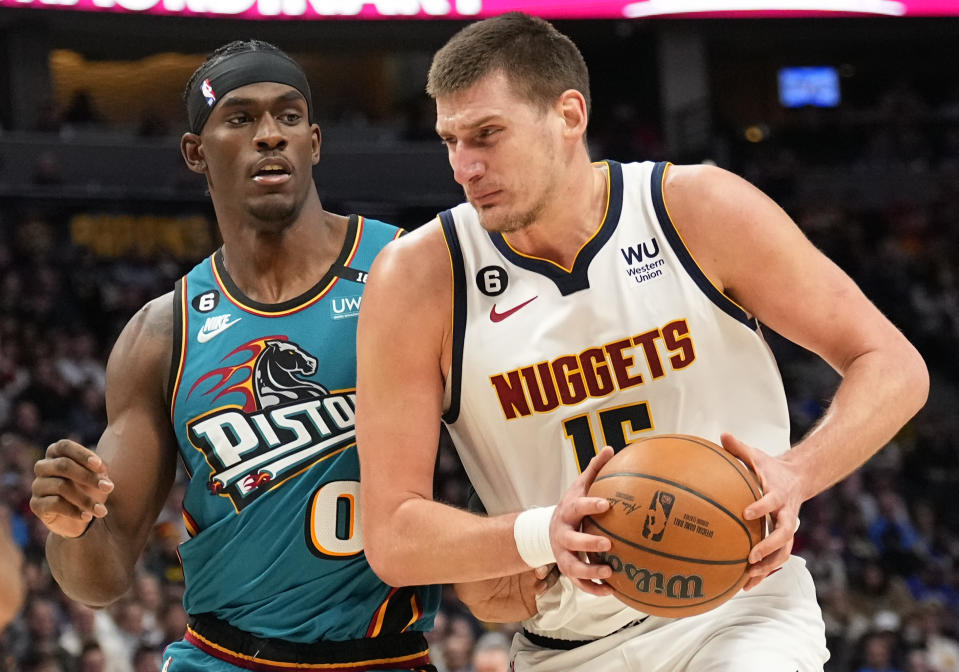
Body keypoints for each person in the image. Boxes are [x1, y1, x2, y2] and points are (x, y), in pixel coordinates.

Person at [355, 12, 929, 672]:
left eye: (486, 134)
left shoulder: (697, 209)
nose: (465, 166)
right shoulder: (418, 277)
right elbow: (392, 534)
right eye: (450, 141)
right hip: (563, 644)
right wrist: (541, 533)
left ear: (567, 116)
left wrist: (796, 474)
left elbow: (893, 365)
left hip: (737, 610)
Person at [29, 40, 441, 671]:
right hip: (223, 656)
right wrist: (73, 524)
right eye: (241, 118)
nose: (270, 135)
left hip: (383, 656)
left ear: (315, 142)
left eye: (289, 116)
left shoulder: (409, 270)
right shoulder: (162, 336)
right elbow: (101, 578)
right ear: (196, 152)